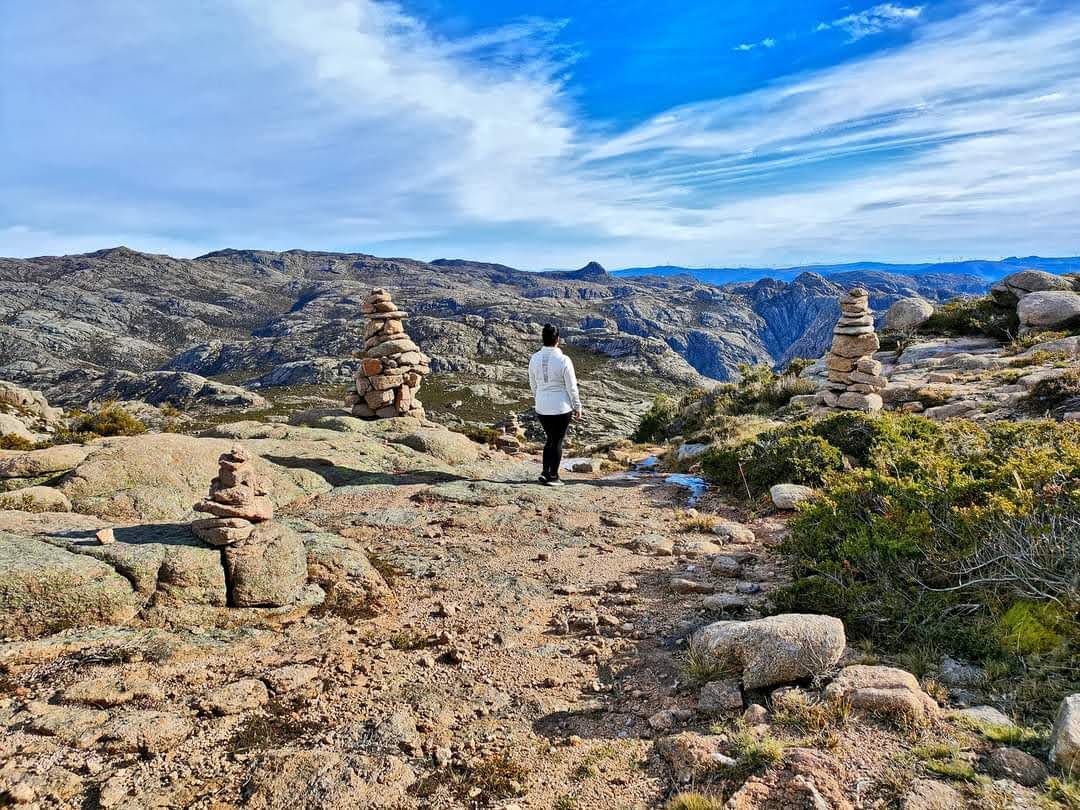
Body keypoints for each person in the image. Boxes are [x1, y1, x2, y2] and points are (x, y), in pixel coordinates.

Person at [528, 323, 582, 486]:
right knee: (557, 441)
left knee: (550, 439)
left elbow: (532, 383)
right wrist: (577, 406)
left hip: (542, 406)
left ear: (543, 339)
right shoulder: (564, 360)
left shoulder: (534, 358)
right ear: (558, 339)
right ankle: (553, 476)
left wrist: (538, 398)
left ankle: (545, 472)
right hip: (561, 406)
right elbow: (571, 386)